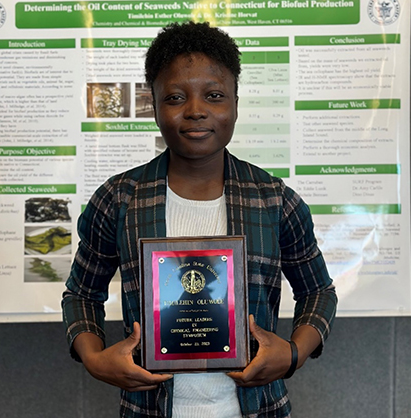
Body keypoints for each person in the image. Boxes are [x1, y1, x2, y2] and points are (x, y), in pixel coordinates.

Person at [62, 21, 337, 418]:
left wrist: (293, 354)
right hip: (147, 409)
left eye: (214, 95)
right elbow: (81, 294)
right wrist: (94, 359)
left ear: (236, 103)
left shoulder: (275, 201)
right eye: (174, 97)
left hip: (260, 408)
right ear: (153, 106)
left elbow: (319, 292)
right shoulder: (119, 199)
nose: (195, 110)